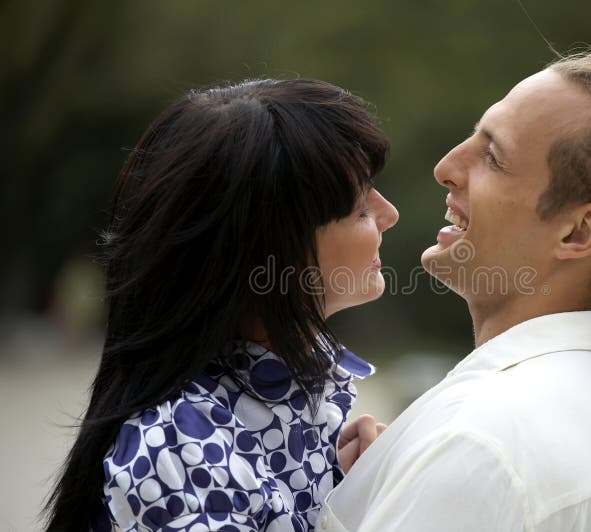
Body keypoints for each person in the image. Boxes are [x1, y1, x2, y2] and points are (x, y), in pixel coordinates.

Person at [315, 44, 591, 532]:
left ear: (579, 232)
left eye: (493, 157)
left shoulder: (477, 444)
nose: (447, 166)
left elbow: (485, 463)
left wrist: (439, 473)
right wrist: (399, 484)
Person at [43, 79, 398, 531]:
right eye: (359, 208)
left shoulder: (293, 400)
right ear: (270, 249)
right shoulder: (180, 447)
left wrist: (360, 492)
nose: (389, 213)